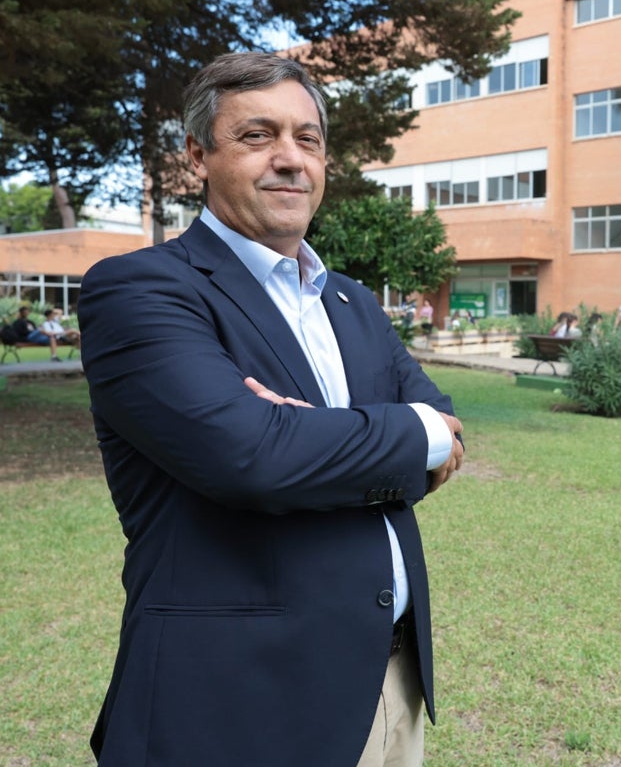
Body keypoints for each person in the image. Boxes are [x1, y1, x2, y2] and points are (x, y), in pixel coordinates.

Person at [78, 52, 465, 766]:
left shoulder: (350, 299)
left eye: (308, 139)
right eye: (258, 136)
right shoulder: (140, 290)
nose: (291, 159)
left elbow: (444, 427)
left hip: (389, 678)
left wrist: (313, 435)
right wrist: (384, 437)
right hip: (239, 703)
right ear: (197, 155)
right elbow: (252, 456)